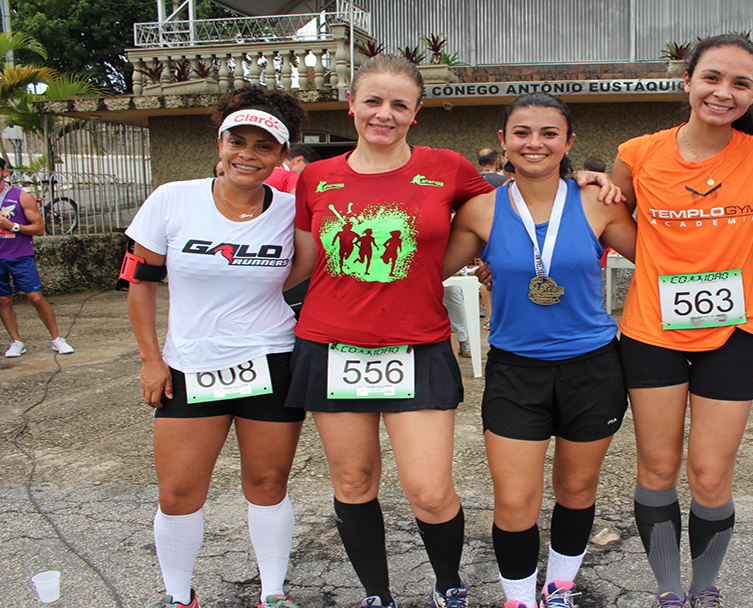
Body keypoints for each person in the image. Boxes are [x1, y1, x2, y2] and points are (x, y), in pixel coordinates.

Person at [284, 55, 620, 608]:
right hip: (331, 341)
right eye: (372, 101)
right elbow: (298, 261)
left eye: (399, 104)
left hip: (416, 342)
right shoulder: (316, 176)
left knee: (431, 490)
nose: (384, 114)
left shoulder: (446, 168)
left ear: (416, 113)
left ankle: (449, 586)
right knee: (352, 483)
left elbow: (518, 199)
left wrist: (588, 178)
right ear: (351, 105)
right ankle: (378, 596)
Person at [610, 34, 753, 607]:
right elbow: (609, 222)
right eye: (712, 77)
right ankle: (669, 591)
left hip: (734, 336)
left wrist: (745, 281)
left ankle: (705, 587)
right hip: (651, 334)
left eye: (741, 83)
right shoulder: (637, 152)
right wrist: (591, 185)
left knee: (711, 476)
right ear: (687, 80)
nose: (724, 92)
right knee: (659, 466)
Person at [443, 92, 637, 608]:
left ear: (568, 142)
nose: (535, 143)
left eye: (549, 133)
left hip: (593, 368)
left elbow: (664, 258)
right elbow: (426, 270)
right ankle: (519, 598)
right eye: (522, 132)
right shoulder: (480, 210)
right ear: (503, 142)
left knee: (576, 491)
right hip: (516, 371)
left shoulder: (598, 202)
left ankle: (559, 587)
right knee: (514, 501)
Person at [125, 86, 307, 608]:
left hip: (270, 360)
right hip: (189, 366)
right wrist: (150, 360)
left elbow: (303, 271)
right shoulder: (171, 198)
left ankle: (273, 593)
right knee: (179, 493)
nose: (248, 155)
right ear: (221, 142)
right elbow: (141, 283)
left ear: (280, 154)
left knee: (268, 484)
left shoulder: (293, 211)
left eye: (263, 146)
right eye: (238, 141)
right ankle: (178, 597)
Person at [0, 158, 75, 358]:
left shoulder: (21, 197)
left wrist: (13, 227)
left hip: (19, 256)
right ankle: (16, 341)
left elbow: (40, 229)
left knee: (36, 298)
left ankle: (57, 339)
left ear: (4, 172)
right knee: (3, 301)